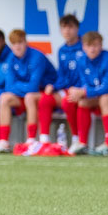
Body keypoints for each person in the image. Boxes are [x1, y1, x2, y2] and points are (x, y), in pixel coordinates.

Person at [0, 30, 57, 154]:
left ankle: (31, 140)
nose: (17, 47)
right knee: (4, 97)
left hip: (46, 94)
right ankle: (3, 141)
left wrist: (18, 86)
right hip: (24, 95)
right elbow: (9, 86)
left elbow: (34, 87)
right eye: (14, 44)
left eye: (20, 43)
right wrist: (22, 86)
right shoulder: (11, 58)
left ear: (26, 43)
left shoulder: (37, 57)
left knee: (30, 97)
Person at [33, 14, 85, 155]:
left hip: (81, 91)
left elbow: (88, 73)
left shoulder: (84, 47)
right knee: (45, 99)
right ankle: (44, 141)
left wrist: (80, 88)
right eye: (64, 27)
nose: (67, 31)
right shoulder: (62, 50)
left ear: (77, 28)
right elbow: (62, 75)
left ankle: (76, 139)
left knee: (68, 101)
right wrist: (54, 86)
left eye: (70, 27)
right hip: (66, 89)